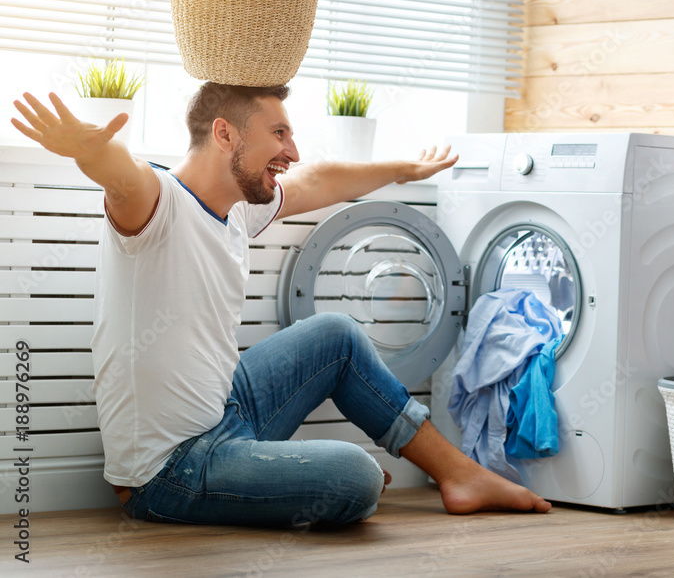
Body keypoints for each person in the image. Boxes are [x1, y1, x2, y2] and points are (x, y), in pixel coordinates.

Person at [11, 82, 551, 528]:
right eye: (279, 133)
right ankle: (325, 479)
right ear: (224, 134)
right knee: (354, 477)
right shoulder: (158, 201)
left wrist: (404, 170)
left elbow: (319, 180)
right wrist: (89, 149)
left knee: (335, 334)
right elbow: (120, 175)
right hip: (170, 473)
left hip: (226, 414)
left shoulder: (238, 213)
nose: (291, 151)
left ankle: (459, 474)